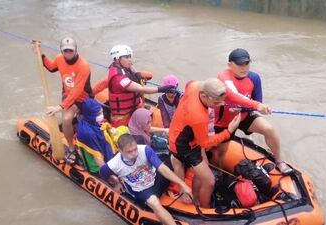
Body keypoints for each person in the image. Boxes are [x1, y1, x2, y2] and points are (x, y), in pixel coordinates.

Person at [214, 48, 292, 174]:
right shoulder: (223, 77)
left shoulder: (254, 78)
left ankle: (280, 161)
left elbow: (257, 101)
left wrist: (250, 107)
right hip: (225, 121)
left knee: (269, 129)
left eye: (247, 63)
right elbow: (233, 94)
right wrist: (257, 105)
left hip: (243, 116)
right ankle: (221, 174)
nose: (244, 67)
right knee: (221, 152)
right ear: (229, 65)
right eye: (240, 64)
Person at [168, 78, 241, 208]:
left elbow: (189, 83)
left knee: (202, 170)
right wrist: (228, 131)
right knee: (209, 181)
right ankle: (205, 209)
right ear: (203, 95)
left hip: (180, 130)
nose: (220, 105)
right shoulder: (199, 117)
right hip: (183, 145)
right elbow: (205, 143)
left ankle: (195, 197)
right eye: (217, 102)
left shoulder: (194, 85)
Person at [99, 134, 192, 225]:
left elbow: (161, 168)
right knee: (154, 203)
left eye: (135, 149)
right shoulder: (114, 164)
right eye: (129, 151)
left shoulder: (144, 149)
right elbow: (103, 174)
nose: (134, 153)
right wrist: (116, 183)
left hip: (155, 178)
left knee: (174, 158)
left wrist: (182, 184)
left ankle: (183, 193)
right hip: (142, 189)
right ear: (120, 151)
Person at [31, 38, 93, 163]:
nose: (68, 53)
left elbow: (78, 90)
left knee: (85, 122)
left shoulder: (83, 66)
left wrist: (60, 107)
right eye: (65, 51)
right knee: (66, 120)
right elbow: (51, 67)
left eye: (71, 50)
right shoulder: (60, 58)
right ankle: (71, 148)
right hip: (67, 94)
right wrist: (39, 53)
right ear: (61, 51)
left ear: (75, 50)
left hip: (83, 97)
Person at [93, 45, 175, 127]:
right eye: (126, 57)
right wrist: (163, 89)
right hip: (124, 116)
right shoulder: (118, 79)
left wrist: (137, 74)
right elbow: (141, 89)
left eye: (130, 56)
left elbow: (131, 66)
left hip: (135, 107)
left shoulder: (123, 65)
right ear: (117, 59)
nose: (129, 60)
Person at [75, 98, 114, 174]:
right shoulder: (87, 133)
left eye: (102, 112)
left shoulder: (93, 122)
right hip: (96, 166)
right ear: (91, 115)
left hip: (105, 153)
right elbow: (97, 158)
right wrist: (109, 175)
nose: (102, 115)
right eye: (98, 114)